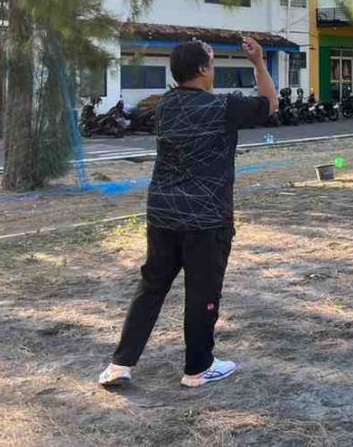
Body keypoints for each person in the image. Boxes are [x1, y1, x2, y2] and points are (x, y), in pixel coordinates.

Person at [98, 37, 278, 389]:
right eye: (212, 62)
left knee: (151, 286)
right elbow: (269, 103)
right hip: (206, 218)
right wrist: (258, 62)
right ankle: (198, 367)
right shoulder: (223, 107)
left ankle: (120, 364)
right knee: (202, 291)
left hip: (162, 212)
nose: (214, 68)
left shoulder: (165, 106)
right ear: (202, 69)